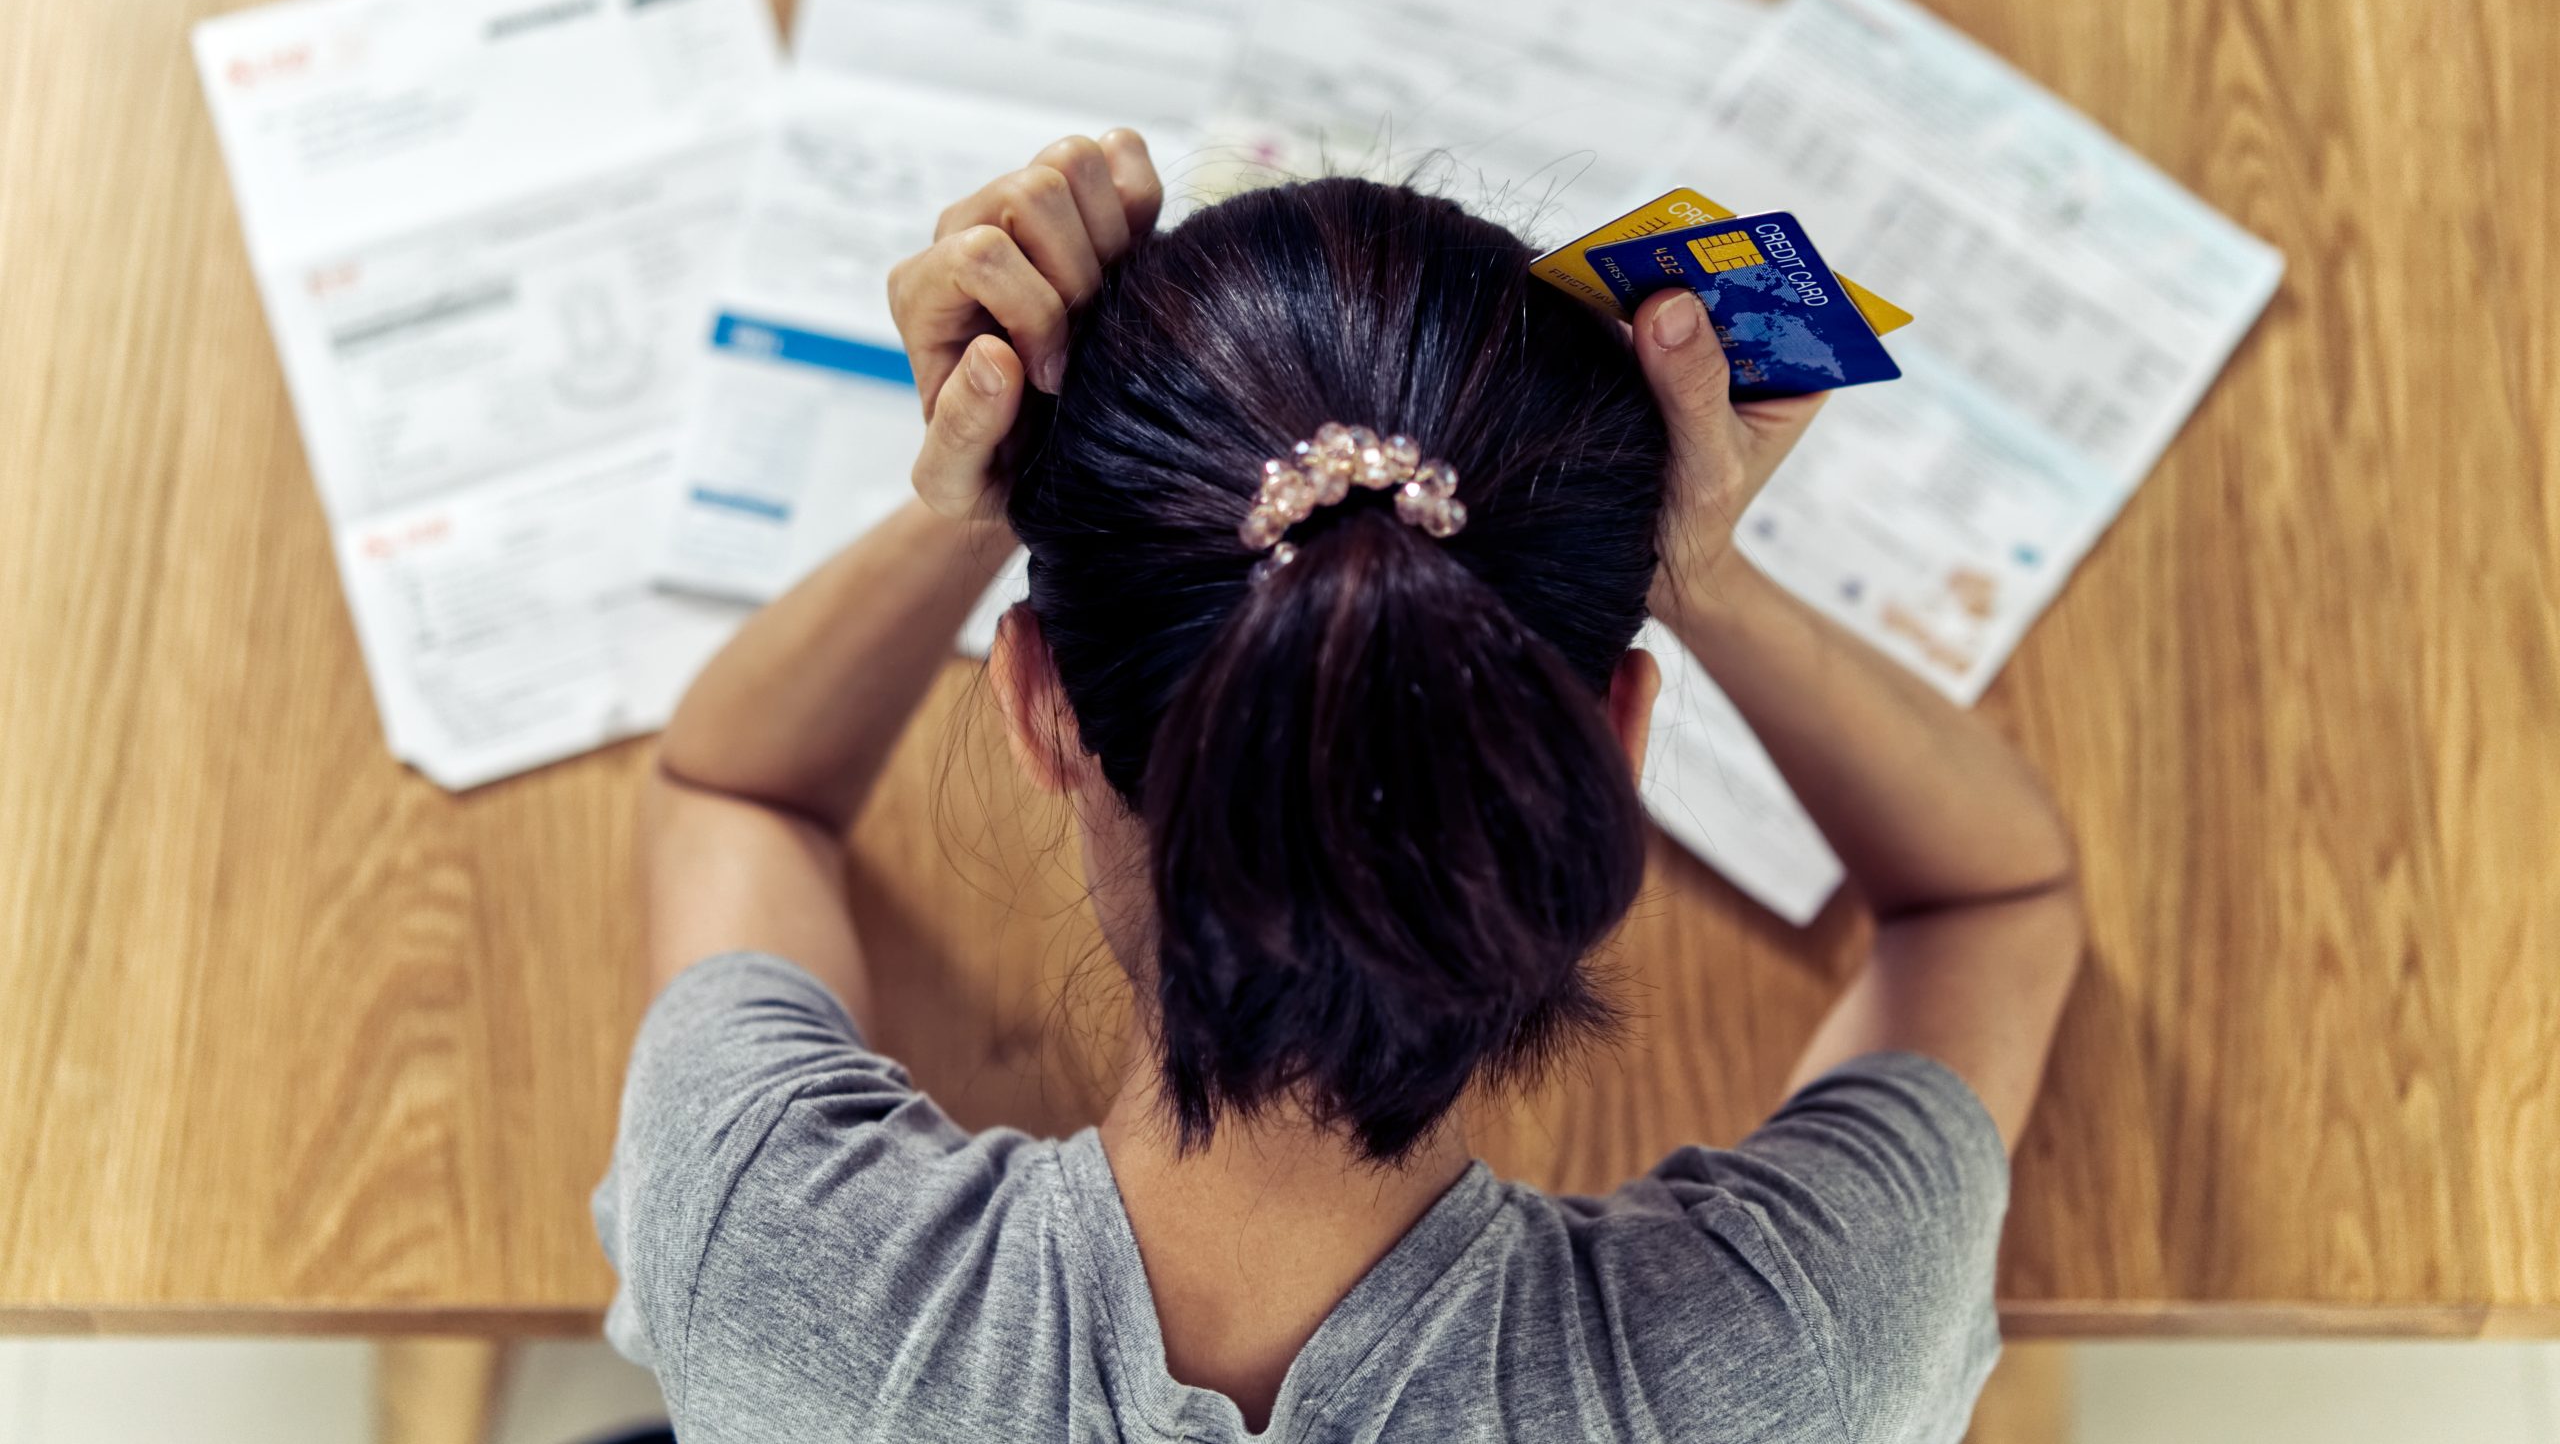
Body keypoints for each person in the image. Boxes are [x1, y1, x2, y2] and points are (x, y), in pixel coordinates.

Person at [596, 132, 2084, 1443]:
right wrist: (1702, 573)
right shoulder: (1796, 1368)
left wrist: (981, 483)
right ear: (1613, 736)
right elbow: (1994, 897)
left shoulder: (769, 1264)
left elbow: (739, 787)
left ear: (1035, 704)